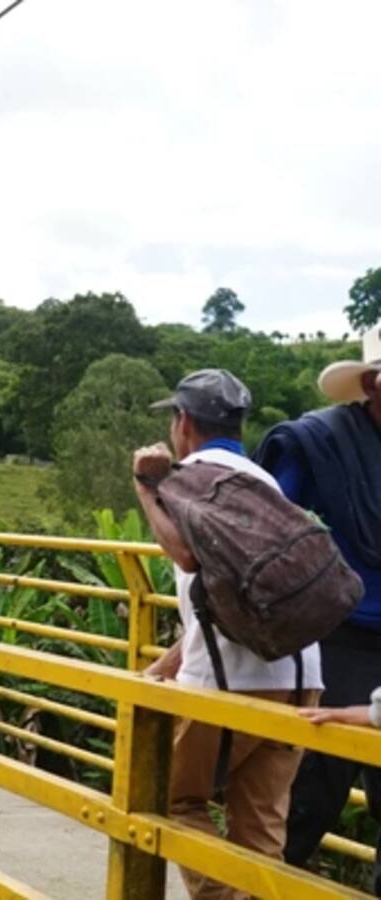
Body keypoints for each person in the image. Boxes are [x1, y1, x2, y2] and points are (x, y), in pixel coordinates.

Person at [134, 369, 323, 900]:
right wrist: (161, 667)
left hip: (230, 684)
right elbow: (218, 604)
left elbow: (190, 557)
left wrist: (149, 489)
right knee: (260, 835)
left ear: (183, 422)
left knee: (170, 800)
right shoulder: (262, 482)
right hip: (302, 675)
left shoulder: (189, 476)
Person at [253, 328, 381, 891]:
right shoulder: (320, 443)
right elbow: (265, 531)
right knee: (311, 797)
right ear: (374, 383)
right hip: (339, 637)